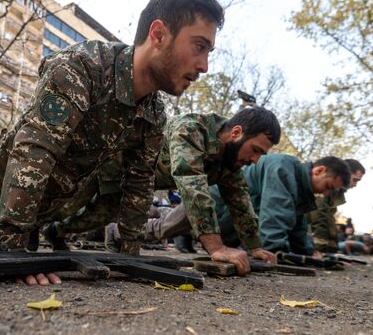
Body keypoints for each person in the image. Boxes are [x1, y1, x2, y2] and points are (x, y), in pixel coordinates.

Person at [0, 0, 225, 286]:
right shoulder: (83, 67)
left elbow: (139, 184)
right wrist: (11, 253)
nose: (204, 65)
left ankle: (16, 228)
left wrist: (130, 257)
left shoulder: (154, 113)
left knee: (24, 222)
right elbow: (34, 153)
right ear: (158, 34)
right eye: (199, 46)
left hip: (54, 200)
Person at [49, 106, 281, 275]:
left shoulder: (230, 159)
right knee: (67, 203)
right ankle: (27, 227)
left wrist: (254, 246)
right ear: (236, 133)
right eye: (255, 150)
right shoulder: (191, 129)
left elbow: (240, 200)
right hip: (113, 164)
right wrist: (217, 247)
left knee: (97, 216)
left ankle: (55, 233)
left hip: (139, 183)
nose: (255, 160)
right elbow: (192, 187)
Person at [216, 155, 350, 256]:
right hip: (216, 214)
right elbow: (274, 213)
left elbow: (297, 224)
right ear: (319, 170)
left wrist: (307, 252)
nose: (326, 193)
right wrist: (275, 251)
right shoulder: (283, 168)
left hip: (230, 220)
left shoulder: (299, 183)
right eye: (328, 187)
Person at [308, 159, 365, 253]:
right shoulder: (327, 186)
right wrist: (320, 248)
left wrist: (332, 250)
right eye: (355, 180)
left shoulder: (336, 192)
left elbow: (329, 219)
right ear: (346, 174)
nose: (355, 185)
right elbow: (319, 215)